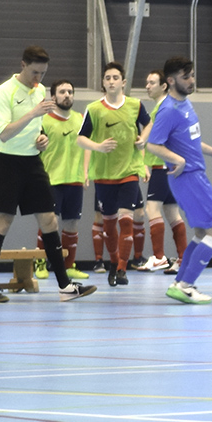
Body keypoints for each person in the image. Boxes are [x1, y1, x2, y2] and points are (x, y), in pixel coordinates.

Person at [0, 45, 97, 303]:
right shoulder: (5, 92)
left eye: (43, 73)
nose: (39, 78)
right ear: (23, 65)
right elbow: (5, 133)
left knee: (49, 221)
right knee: (3, 222)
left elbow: (36, 128)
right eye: (35, 72)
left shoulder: (40, 91)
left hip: (33, 162)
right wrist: (33, 112)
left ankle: (65, 287)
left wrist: (41, 138)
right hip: (8, 164)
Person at [146, 56, 212, 304]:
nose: (191, 80)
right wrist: (178, 160)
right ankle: (186, 285)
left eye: (192, 75)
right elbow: (152, 144)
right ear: (171, 80)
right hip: (189, 178)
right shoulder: (168, 110)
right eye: (186, 77)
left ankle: (180, 283)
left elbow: (190, 141)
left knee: (201, 232)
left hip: (194, 175)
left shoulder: (185, 105)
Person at [77, 62, 151, 287]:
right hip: (103, 174)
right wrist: (98, 147)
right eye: (107, 78)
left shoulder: (135, 105)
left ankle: (122, 268)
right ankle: (112, 262)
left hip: (129, 171)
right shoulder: (94, 109)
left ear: (123, 82)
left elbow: (149, 124)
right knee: (108, 224)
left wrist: (143, 140)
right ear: (103, 82)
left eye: (115, 78)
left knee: (126, 220)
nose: (111, 81)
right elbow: (80, 138)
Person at [33, 80, 89, 281]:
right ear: (53, 97)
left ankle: (69, 265)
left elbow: (87, 146)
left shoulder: (80, 119)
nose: (67, 95)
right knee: (49, 221)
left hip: (74, 179)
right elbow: (35, 148)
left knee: (72, 222)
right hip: (51, 180)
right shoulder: (43, 121)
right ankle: (40, 262)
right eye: (62, 92)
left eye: (70, 92)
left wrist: (85, 172)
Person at [136, 70, 187, 274]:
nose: (147, 86)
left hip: (162, 165)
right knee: (172, 212)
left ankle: (158, 257)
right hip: (168, 166)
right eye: (147, 82)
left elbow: (153, 134)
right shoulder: (166, 106)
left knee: (152, 209)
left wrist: (141, 141)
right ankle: (182, 258)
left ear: (164, 85)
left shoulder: (163, 108)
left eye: (152, 83)